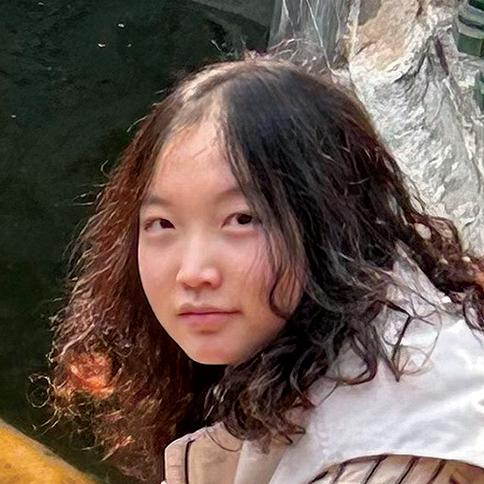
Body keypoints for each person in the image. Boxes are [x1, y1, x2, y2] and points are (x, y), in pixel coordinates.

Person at [46, 55, 484, 483]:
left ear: (329, 221)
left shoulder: (391, 450)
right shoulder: (312, 330)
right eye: (163, 224)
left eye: (242, 219)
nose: (192, 272)